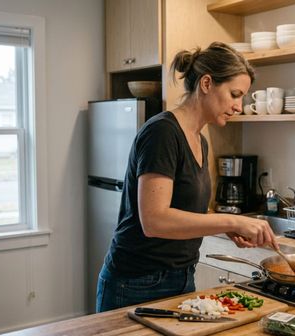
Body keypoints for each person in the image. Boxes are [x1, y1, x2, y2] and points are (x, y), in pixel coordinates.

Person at [96, 42, 278, 312]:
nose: (239, 106)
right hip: (137, 282)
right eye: (234, 94)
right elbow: (154, 221)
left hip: (181, 278)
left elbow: (185, 207)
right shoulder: (162, 133)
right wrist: (230, 219)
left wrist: (225, 227)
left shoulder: (199, 140)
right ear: (206, 83)